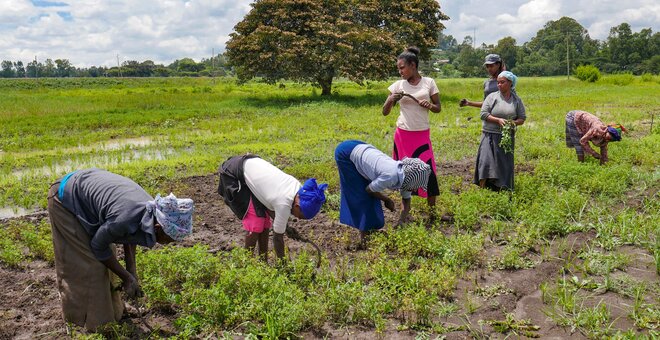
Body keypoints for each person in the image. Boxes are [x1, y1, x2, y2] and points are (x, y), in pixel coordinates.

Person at [47, 168, 194, 331]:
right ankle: (93, 323)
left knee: (109, 258)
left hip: (88, 200)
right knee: (93, 265)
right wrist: (125, 277)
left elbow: (131, 234)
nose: (170, 243)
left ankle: (115, 311)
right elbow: (99, 245)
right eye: (170, 239)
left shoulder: (149, 212)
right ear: (158, 227)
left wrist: (131, 270)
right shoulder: (125, 217)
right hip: (65, 199)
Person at [217, 154, 327, 261]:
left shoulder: (297, 188)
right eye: (300, 216)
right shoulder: (284, 203)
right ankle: (246, 265)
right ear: (298, 206)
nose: (297, 218)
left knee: (265, 222)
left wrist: (287, 228)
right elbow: (277, 238)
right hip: (233, 174)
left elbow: (271, 204)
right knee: (256, 222)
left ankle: (263, 262)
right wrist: (283, 265)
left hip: (248, 164)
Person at [335, 140, 431, 245]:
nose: (414, 190)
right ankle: (364, 239)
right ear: (411, 181)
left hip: (359, 146)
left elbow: (406, 199)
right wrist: (387, 199)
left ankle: (371, 229)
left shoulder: (405, 174)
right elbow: (369, 190)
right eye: (415, 187)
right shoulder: (391, 176)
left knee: (370, 190)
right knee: (362, 197)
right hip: (346, 153)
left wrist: (401, 221)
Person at [382, 46, 441, 219]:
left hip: (421, 134)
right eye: (398, 68)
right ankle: (405, 210)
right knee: (404, 172)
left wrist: (430, 105)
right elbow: (385, 112)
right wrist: (391, 99)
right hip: (403, 135)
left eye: (402, 67)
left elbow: (438, 108)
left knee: (428, 171)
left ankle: (432, 212)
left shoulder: (429, 82)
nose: (400, 71)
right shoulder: (398, 85)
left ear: (413, 65)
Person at [474, 71, 526, 191]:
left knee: (504, 164)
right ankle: (482, 190)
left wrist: (513, 123)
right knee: (485, 161)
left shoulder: (516, 100)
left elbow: (522, 118)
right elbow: (483, 114)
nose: (499, 85)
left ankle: (503, 188)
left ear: (510, 83)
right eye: (498, 82)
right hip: (489, 134)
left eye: (502, 82)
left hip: (506, 137)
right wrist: (497, 120)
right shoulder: (492, 97)